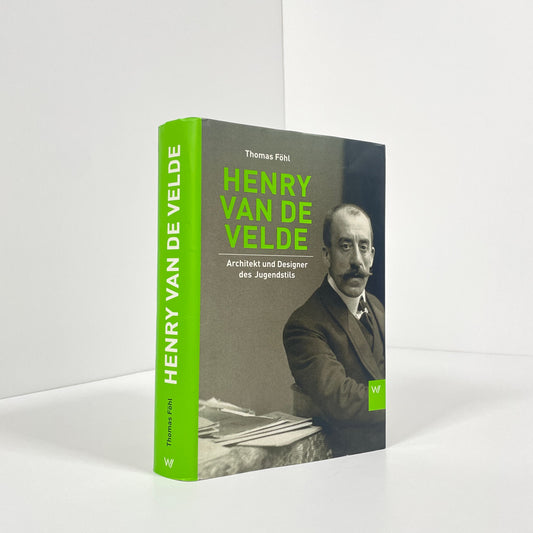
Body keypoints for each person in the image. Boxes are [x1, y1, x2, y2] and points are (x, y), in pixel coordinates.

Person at [283, 204, 385, 456]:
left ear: (372, 255)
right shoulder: (304, 325)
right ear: (327, 255)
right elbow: (343, 399)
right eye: (345, 246)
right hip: (344, 461)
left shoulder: (376, 306)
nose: (357, 261)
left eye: (363, 247)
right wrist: (397, 396)